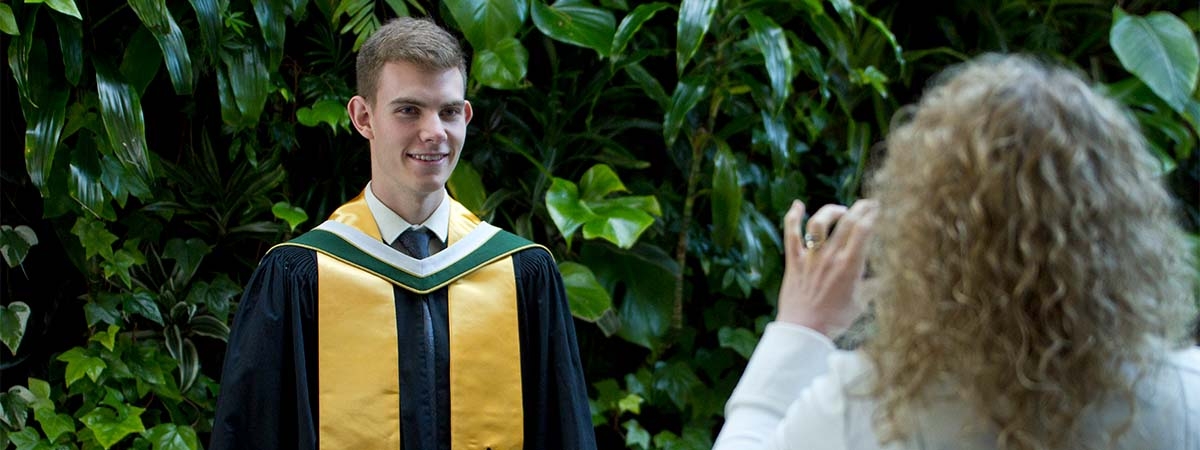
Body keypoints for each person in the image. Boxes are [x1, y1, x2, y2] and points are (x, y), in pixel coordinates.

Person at [713, 53, 1200, 450]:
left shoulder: (864, 410)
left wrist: (802, 325)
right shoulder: (1186, 399)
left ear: (923, 235)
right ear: (1128, 225)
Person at [209, 16, 597, 450]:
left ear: (466, 117)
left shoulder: (521, 272)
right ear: (363, 117)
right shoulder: (303, 275)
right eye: (408, 109)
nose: (433, 132)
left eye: (448, 111)